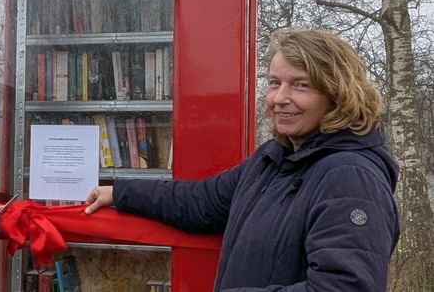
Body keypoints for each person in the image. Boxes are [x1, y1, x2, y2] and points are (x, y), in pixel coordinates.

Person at [85, 28, 399, 291]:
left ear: (337, 94)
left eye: (301, 85)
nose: (279, 98)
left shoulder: (351, 176)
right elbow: (200, 201)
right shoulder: (274, 159)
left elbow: (346, 288)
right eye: (275, 83)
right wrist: (120, 192)